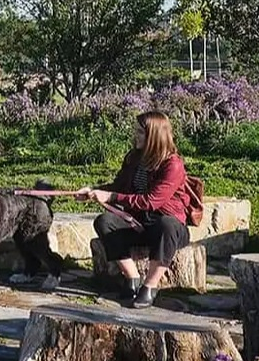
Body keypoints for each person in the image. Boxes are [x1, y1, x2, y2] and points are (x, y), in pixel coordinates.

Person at [79, 110, 193, 309]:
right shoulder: (134, 158)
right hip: (138, 222)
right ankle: (132, 277)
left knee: (167, 224)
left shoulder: (173, 165)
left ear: (154, 136)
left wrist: (112, 197)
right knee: (104, 221)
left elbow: (152, 202)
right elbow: (118, 186)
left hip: (167, 228)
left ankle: (150, 286)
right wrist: (94, 191)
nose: (135, 136)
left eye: (140, 132)